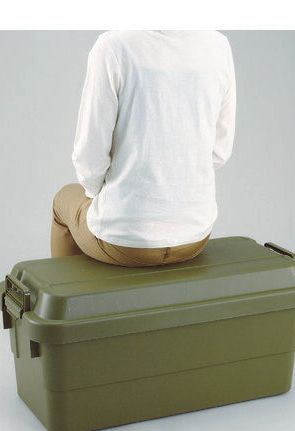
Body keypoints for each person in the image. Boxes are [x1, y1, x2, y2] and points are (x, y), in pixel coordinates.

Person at [51, 30, 236, 267]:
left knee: (63, 200)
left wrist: (101, 196)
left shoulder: (113, 46)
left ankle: (69, 289)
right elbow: (220, 151)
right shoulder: (219, 45)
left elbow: (89, 160)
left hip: (123, 242)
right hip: (195, 236)